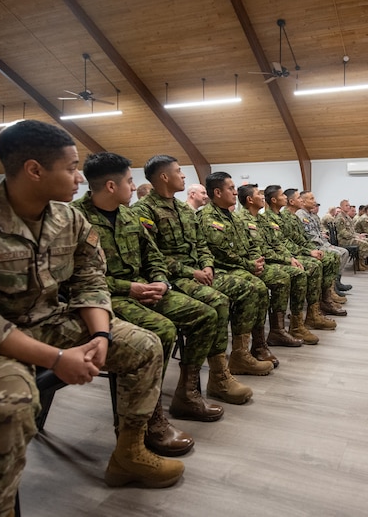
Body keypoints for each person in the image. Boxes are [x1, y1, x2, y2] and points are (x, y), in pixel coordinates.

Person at [0, 120, 183, 516]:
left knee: (144, 345)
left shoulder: (67, 219)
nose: (78, 178)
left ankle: (128, 454)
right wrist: (56, 359)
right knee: (8, 402)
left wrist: (101, 337)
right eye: (71, 168)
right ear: (35, 170)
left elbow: (91, 281)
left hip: (47, 322)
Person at [74, 152, 252, 425]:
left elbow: (153, 257)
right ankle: (150, 415)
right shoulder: (79, 219)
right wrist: (133, 287)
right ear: (111, 186)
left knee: (206, 314)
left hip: (146, 288)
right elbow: (78, 279)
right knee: (165, 328)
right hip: (108, 297)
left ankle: (188, 393)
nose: (134, 188)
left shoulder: (127, 216)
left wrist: (160, 281)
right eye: (130, 182)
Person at [131, 156, 274, 373]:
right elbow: (153, 255)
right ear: (164, 176)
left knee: (251, 289)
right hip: (173, 277)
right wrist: (193, 271)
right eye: (179, 171)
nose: (183, 175)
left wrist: (207, 266)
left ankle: (240, 354)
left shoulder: (184, 210)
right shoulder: (144, 211)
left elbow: (202, 245)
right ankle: (217, 373)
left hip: (200, 271)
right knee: (219, 302)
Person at [199, 172, 292, 371]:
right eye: (231, 189)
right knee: (255, 288)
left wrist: (256, 261)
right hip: (223, 269)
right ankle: (241, 353)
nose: (235, 193)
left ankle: (258, 345)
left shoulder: (232, 217)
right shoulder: (208, 217)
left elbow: (251, 244)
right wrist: (250, 265)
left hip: (242, 266)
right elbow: (221, 253)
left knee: (261, 285)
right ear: (217, 192)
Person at [236, 184, 321, 344]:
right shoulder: (242, 219)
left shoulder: (261, 219)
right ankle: (277, 331)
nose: (262, 197)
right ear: (249, 200)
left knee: (302, 270)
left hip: (270, 259)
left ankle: (297, 324)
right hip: (257, 263)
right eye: (258, 195)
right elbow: (257, 250)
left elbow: (276, 243)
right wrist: (287, 259)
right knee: (287, 277)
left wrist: (289, 257)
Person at [274, 188, 346, 317]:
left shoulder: (294, 217)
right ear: (291, 201)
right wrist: (308, 251)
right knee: (317, 263)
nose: (301, 200)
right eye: (299, 198)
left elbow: (302, 239)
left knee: (331, 258)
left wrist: (311, 250)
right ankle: (311, 309)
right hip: (290, 254)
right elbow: (285, 242)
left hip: (299, 250)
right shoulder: (284, 217)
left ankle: (325, 299)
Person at [297, 191, 352, 292]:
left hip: (321, 244)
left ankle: (336, 282)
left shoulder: (312, 215)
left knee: (345, 252)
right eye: (312, 199)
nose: (315, 202)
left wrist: (327, 244)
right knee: (337, 254)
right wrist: (326, 246)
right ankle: (331, 287)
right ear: (303, 202)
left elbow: (319, 233)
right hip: (313, 247)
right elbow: (310, 237)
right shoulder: (301, 215)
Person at [335, 199, 368, 271]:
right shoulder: (340, 218)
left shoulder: (347, 217)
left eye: (349, 205)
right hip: (344, 240)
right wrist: (356, 237)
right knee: (364, 244)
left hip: (350, 238)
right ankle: (358, 264)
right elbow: (343, 233)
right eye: (346, 205)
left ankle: (361, 262)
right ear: (341, 207)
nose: (348, 207)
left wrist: (359, 235)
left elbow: (352, 231)